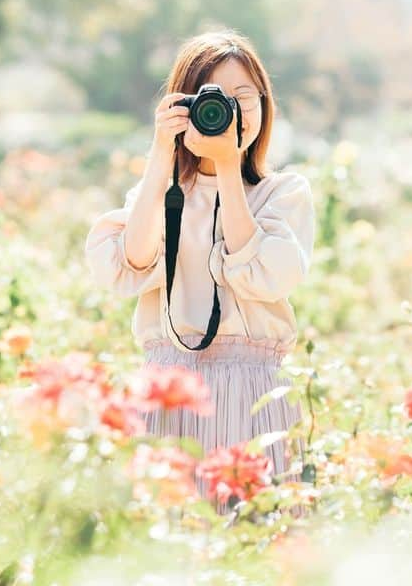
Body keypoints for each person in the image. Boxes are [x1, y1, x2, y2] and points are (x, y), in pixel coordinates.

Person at [84, 30, 316, 515]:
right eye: (212, 97)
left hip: (254, 394)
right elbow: (128, 264)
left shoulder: (282, 194)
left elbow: (269, 276)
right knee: (169, 545)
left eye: (243, 97)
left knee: (256, 544)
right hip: (171, 391)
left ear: (264, 106)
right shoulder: (165, 196)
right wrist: (160, 156)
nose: (228, 110)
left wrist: (228, 169)